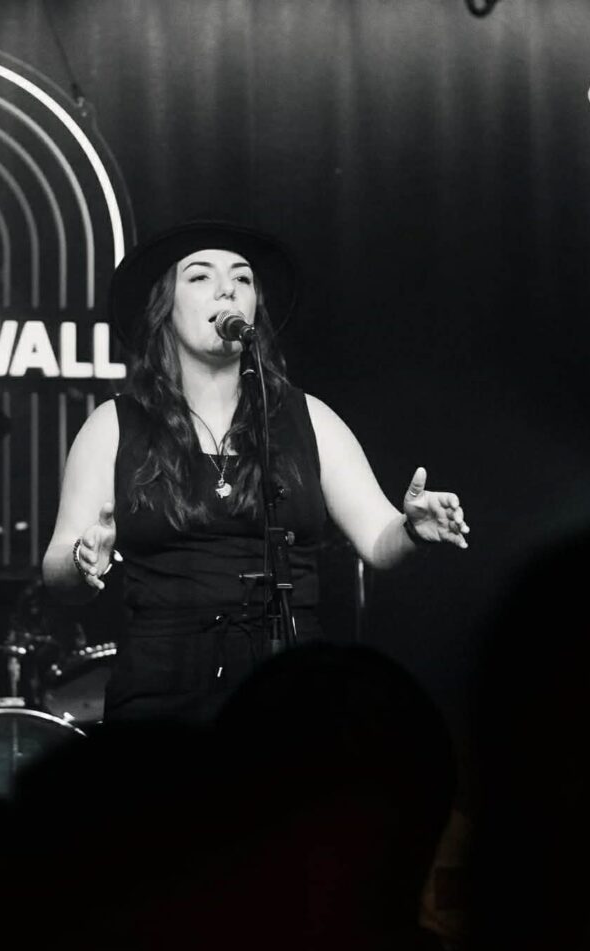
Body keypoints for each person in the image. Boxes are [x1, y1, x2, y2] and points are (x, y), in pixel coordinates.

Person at [42, 221, 469, 726]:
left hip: (289, 687)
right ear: (165, 306)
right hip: (162, 695)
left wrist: (412, 528)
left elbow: (378, 540)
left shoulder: (308, 417)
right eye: (200, 276)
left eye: (242, 278)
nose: (227, 289)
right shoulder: (114, 424)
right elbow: (58, 568)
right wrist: (82, 558)